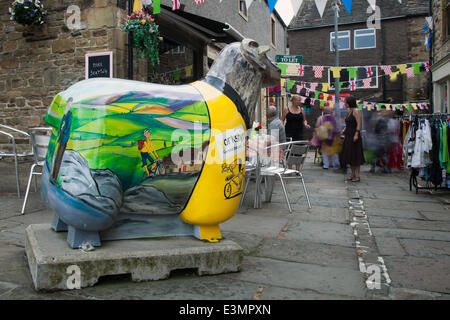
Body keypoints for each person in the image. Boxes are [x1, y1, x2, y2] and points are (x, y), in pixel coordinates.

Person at [340, 96, 365, 182]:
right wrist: (344, 130)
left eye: (346, 102)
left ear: (349, 102)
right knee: (350, 155)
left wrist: (356, 134)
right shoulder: (349, 111)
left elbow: (359, 123)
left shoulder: (356, 111)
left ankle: (357, 176)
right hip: (348, 135)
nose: (345, 104)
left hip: (354, 135)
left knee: (355, 155)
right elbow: (348, 124)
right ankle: (352, 174)